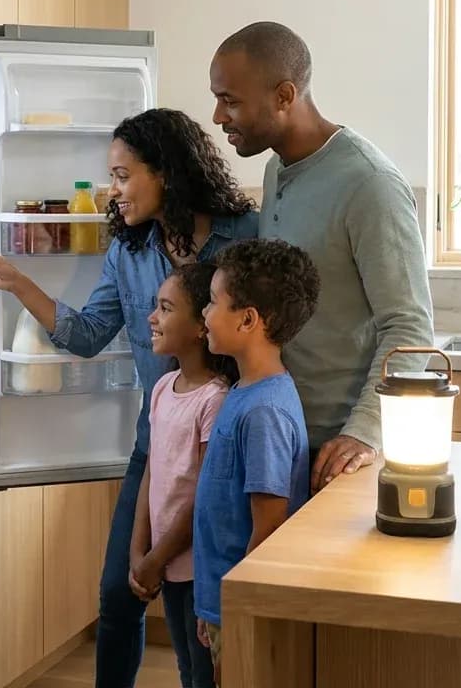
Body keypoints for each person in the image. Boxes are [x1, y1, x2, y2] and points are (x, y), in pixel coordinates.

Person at [0, 108, 258, 687]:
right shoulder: (129, 250)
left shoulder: (240, 232)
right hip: (157, 445)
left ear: (164, 172)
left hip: (226, 444)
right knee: (120, 594)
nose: (111, 192)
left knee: (208, 606)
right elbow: (88, 335)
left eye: (122, 175)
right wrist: (15, 279)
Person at [209, 21, 435, 493]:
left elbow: (409, 326)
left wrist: (364, 431)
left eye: (230, 101)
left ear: (284, 96)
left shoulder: (369, 184)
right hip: (279, 436)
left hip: (336, 456)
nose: (217, 116)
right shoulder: (276, 169)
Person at [192, 238, 319, 682]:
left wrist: (236, 610)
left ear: (248, 320)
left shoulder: (265, 411)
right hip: (222, 601)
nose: (204, 315)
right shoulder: (245, 392)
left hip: (240, 606)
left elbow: (267, 529)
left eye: (212, 303)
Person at [128, 263, 231, 688]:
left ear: (200, 327)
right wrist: (139, 552)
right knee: (186, 669)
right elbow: (152, 473)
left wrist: (156, 557)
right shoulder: (161, 388)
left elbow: (205, 496)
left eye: (166, 308)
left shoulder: (215, 399)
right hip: (164, 564)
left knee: (204, 673)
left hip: (195, 567)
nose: (152, 318)